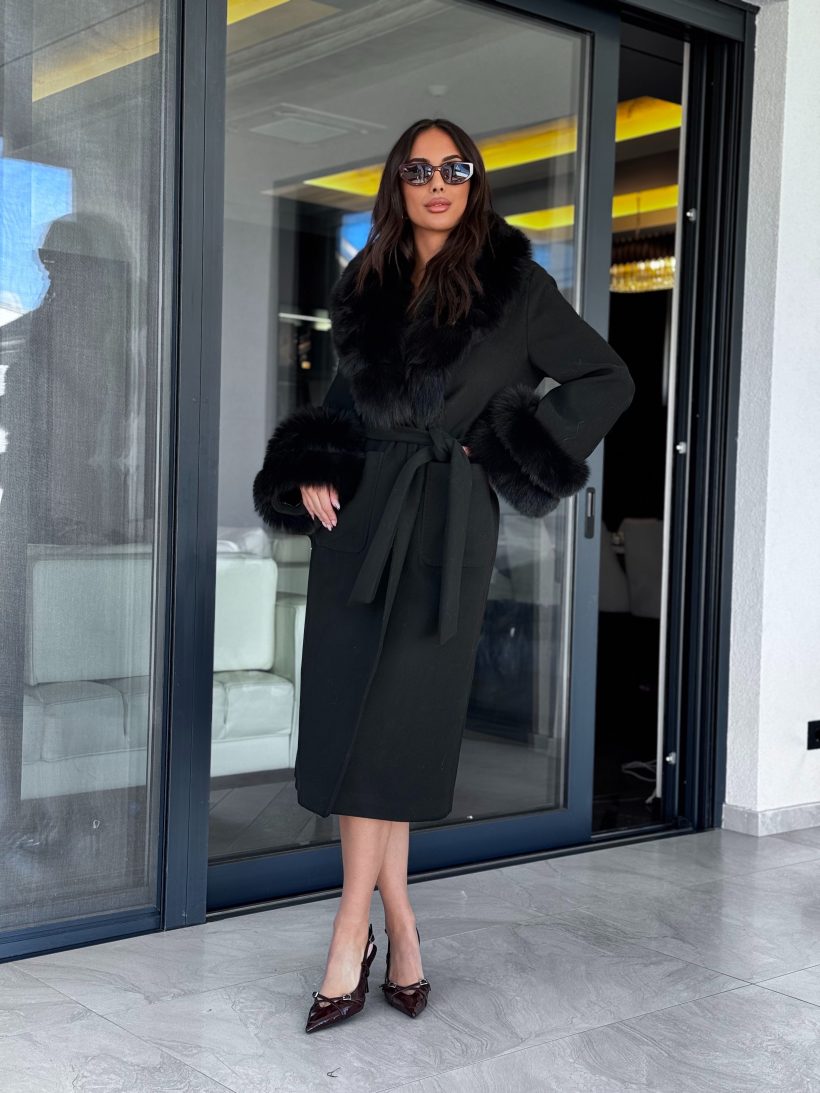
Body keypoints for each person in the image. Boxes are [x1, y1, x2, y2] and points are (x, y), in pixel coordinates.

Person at [252, 118, 635, 1033]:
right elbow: (341, 403)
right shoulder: (368, 282)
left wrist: (499, 446)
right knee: (355, 729)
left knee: (395, 730)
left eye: (453, 168)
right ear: (398, 182)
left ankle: (350, 933)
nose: (437, 183)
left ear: (473, 181)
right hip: (358, 523)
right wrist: (311, 464)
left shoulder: (517, 288)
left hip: (446, 522)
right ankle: (397, 926)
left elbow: (606, 378)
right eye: (419, 169)